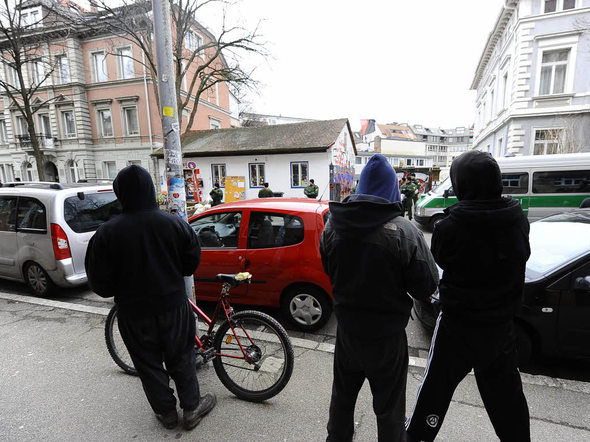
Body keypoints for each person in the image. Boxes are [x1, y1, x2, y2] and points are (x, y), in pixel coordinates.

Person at [405, 150, 531, 442]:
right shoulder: (517, 220)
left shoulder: (450, 226)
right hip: (499, 327)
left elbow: (442, 258)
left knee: (435, 389)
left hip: (457, 327)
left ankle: (418, 436)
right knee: (507, 398)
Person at [85, 165, 216, 431]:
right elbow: (191, 262)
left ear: (119, 193)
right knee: (182, 357)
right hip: (173, 306)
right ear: (150, 190)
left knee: (148, 363)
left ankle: (166, 413)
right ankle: (191, 408)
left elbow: (99, 282)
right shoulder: (174, 223)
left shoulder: (106, 233)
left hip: (133, 312)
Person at [320, 154, 439, 441]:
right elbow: (427, 286)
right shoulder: (405, 232)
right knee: (389, 412)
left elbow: (329, 269)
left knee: (342, 401)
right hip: (387, 339)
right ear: (392, 190)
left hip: (347, 333)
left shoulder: (332, 226)